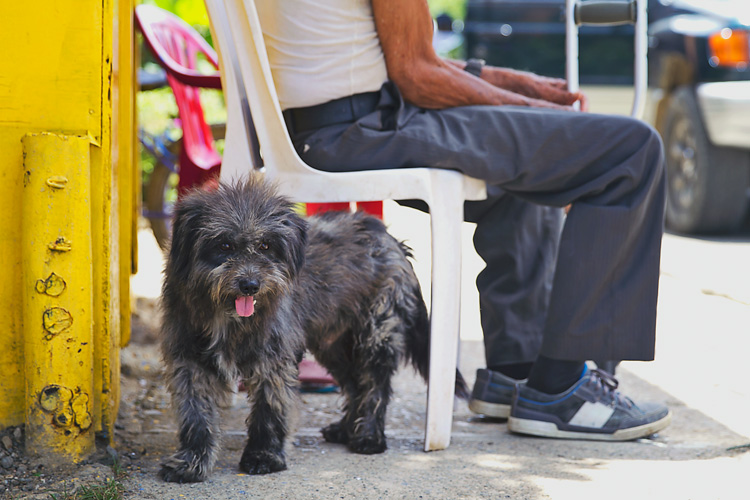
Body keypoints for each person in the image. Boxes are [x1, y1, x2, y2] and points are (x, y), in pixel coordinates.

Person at [255, 0, 671, 440]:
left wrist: (512, 84)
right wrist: (531, 107)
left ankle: (517, 371)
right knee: (632, 151)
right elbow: (416, 74)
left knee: (524, 172)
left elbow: (396, 58)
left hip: (319, 128)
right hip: (366, 129)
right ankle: (562, 388)